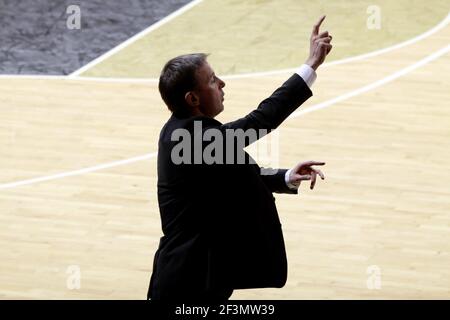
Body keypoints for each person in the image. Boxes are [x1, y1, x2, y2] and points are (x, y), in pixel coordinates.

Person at [148, 16, 332, 301]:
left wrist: (284, 177)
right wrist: (311, 64)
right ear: (192, 99)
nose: (222, 83)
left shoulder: (189, 134)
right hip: (186, 283)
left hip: (205, 277)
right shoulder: (191, 138)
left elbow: (231, 176)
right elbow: (262, 119)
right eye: (212, 80)